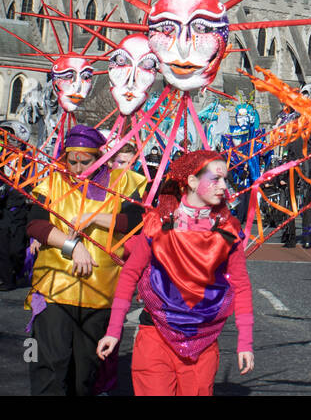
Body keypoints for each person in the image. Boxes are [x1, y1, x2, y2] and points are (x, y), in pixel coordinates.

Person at [97, 150, 254, 395]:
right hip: (155, 336)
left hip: (203, 341)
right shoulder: (157, 223)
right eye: (215, 179)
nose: (224, 186)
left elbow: (241, 286)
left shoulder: (229, 230)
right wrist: (114, 331)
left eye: (225, 179)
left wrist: (245, 342)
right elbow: (129, 275)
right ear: (192, 181)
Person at [24, 124, 146, 396]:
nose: (77, 169)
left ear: (99, 157)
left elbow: (137, 221)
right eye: (72, 161)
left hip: (102, 292)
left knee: (86, 374)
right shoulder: (52, 182)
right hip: (55, 288)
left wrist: (95, 218)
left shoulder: (124, 182)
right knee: (50, 366)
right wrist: (71, 246)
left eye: (85, 162)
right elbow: (35, 224)